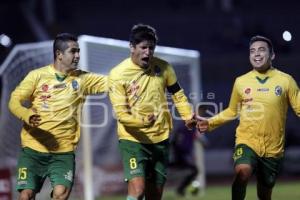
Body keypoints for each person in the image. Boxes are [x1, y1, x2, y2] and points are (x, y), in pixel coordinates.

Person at [197, 35, 300, 200]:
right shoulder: (241, 82)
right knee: (242, 171)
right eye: (252, 51)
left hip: (273, 149)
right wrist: (210, 123)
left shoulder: (286, 81)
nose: (256, 54)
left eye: (261, 50)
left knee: (264, 195)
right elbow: (232, 111)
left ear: (272, 55)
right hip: (247, 141)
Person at [9, 33, 107, 200]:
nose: (77, 55)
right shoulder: (37, 76)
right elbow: (14, 101)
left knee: (61, 194)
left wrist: (135, 76)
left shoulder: (83, 79)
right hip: (33, 149)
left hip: (63, 152)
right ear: (59, 54)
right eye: (73, 51)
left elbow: (114, 82)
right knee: (26, 195)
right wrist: (25, 113)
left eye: (78, 51)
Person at [108, 24, 196, 200]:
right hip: (133, 140)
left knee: (154, 195)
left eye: (151, 48)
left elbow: (178, 94)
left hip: (160, 139)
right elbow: (121, 114)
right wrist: (142, 122)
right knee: (138, 190)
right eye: (143, 47)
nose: (148, 52)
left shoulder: (164, 68)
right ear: (132, 47)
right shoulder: (117, 74)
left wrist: (188, 116)